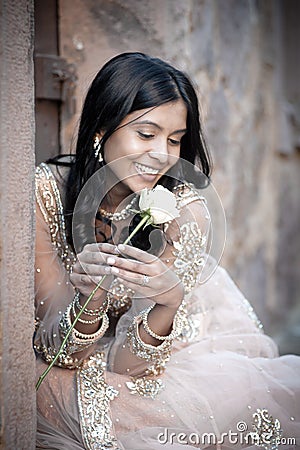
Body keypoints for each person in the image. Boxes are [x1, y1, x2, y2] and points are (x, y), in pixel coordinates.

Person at [34, 52, 299, 450]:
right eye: (146, 134)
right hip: (70, 352)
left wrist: (167, 305)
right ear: (101, 130)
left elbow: (127, 366)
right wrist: (91, 299)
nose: (163, 154)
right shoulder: (45, 193)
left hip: (168, 353)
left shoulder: (183, 211)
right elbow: (58, 351)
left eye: (175, 140)